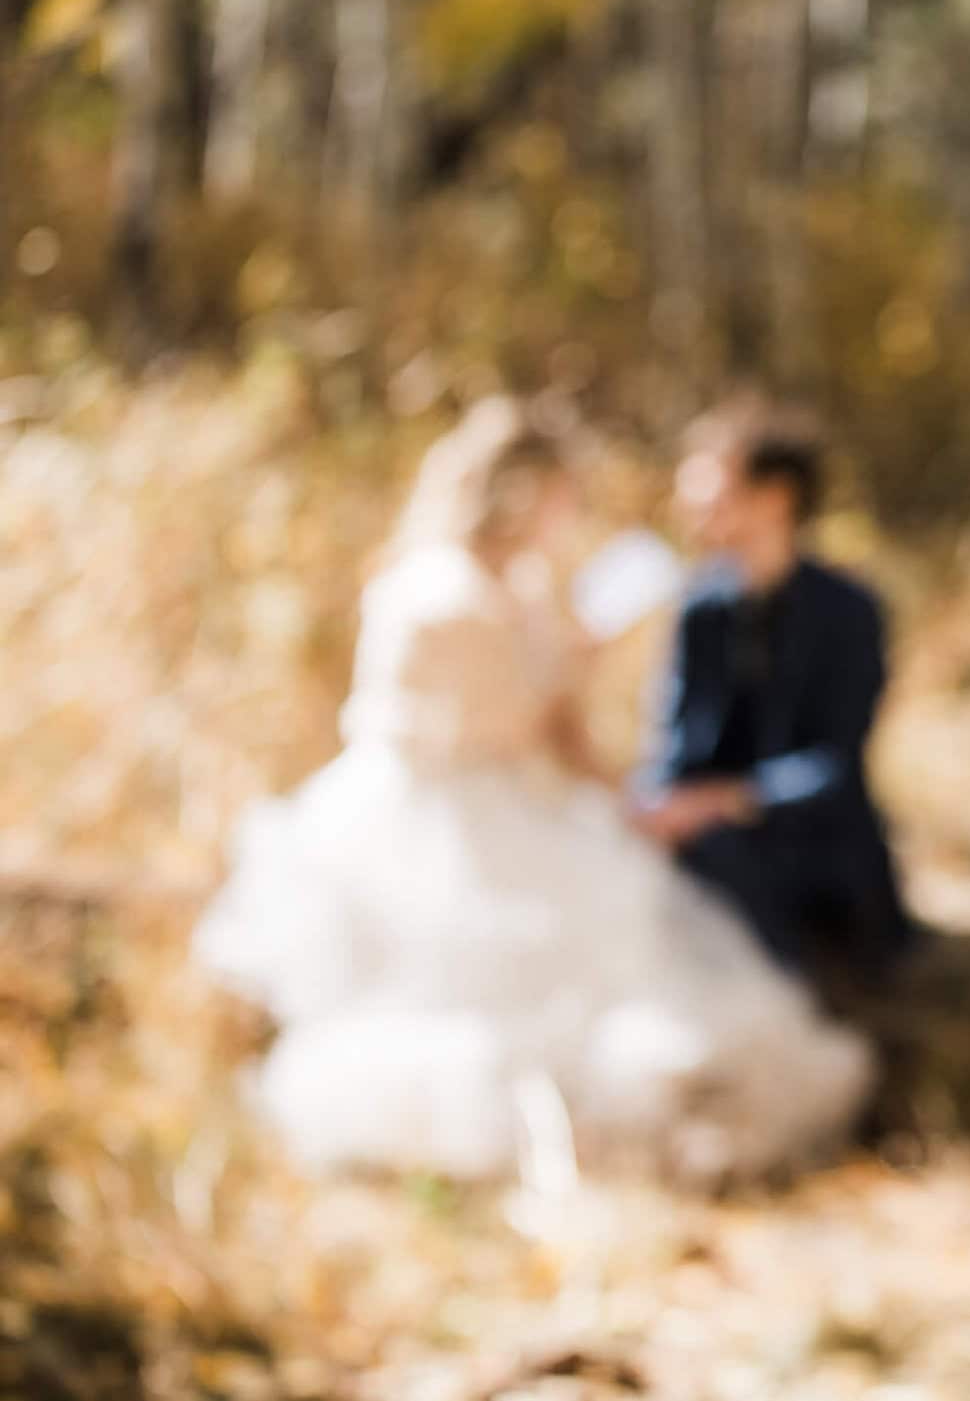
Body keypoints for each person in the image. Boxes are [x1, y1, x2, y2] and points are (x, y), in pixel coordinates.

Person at [194, 397, 872, 1183]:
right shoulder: (447, 590)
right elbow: (500, 722)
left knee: (619, 923)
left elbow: (564, 729)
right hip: (440, 811)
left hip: (524, 798)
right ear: (526, 491)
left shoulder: (524, 583)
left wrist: (615, 763)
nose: (573, 511)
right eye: (565, 493)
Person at [628, 401, 913, 995]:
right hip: (716, 844)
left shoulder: (850, 611)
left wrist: (722, 802)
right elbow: (674, 742)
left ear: (776, 497)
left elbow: (834, 766)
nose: (690, 511)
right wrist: (655, 806)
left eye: (712, 495)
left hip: (816, 849)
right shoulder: (699, 608)